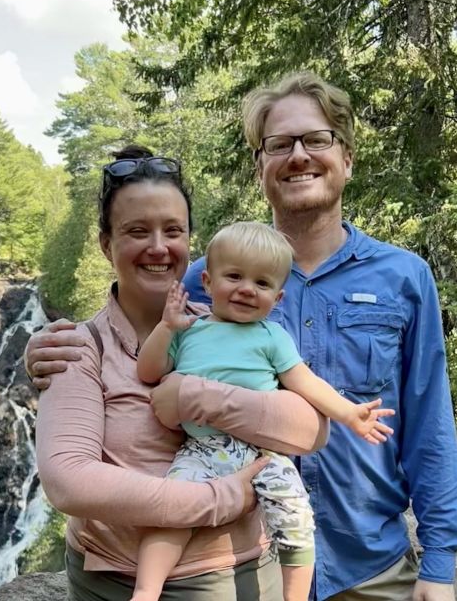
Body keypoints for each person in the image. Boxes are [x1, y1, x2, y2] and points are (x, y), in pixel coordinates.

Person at [27, 72, 457, 601]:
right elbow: (135, 322)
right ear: (260, 167)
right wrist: (44, 348)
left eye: (316, 139)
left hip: (368, 563)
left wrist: (439, 559)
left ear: (347, 157)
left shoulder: (403, 277)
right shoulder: (206, 280)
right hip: (247, 572)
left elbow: (428, 422)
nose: (299, 156)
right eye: (279, 144)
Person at [33, 144, 329, 601]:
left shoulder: (236, 327)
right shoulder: (78, 346)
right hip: (115, 586)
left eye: (172, 231)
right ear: (106, 244)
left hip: (241, 580)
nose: (158, 247)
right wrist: (220, 498)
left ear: (190, 242)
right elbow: (69, 480)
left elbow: (312, 431)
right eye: (137, 231)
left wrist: (195, 396)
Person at [132, 221, 395, 601]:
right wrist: (166, 328)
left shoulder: (272, 337)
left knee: (297, 517)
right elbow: (148, 371)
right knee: (173, 510)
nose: (246, 289)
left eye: (262, 283)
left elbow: (306, 383)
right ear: (207, 282)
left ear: (278, 298)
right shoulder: (189, 331)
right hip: (201, 450)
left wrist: (349, 414)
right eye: (234, 276)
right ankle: (146, 590)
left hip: (261, 450)